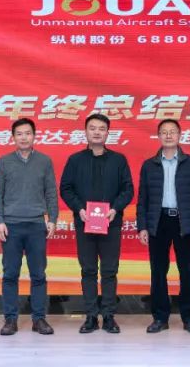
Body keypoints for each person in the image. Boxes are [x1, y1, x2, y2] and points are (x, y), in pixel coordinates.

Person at [59, 113, 134, 334]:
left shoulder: (119, 160)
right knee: (88, 270)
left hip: (111, 223)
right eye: (92, 128)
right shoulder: (75, 160)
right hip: (85, 223)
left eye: (102, 128)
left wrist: (115, 209)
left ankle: (109, 316)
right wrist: (79, 209)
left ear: (108, 133)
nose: (97, 132)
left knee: (110, 271)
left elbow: (128, 189)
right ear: (85, 132)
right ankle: (91, 316)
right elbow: (66, 188)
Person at [136, 118, 190, 334]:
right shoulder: (149, 165)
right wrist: (142, 227)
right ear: (158, 136)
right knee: (158, 271)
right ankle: (160, 318)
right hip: (158, 221)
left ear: (179, 135)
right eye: (164, 132)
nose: (168, 135)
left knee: (187, 271)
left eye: (172, 131)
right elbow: (142, 199)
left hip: (184, 222)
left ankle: (189, 318)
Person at [0, 117, 58, 336]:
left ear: (34, 136)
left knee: (38, 274)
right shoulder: (4, 162)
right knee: (10, 274)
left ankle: (39, 319)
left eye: (28, 133)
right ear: (13, 137)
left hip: (36, 225)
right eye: (19, 134)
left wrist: (52, 219)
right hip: (11, 225)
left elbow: (51, 192)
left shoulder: (44, 161)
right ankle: (10, 320)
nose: (23, 137)